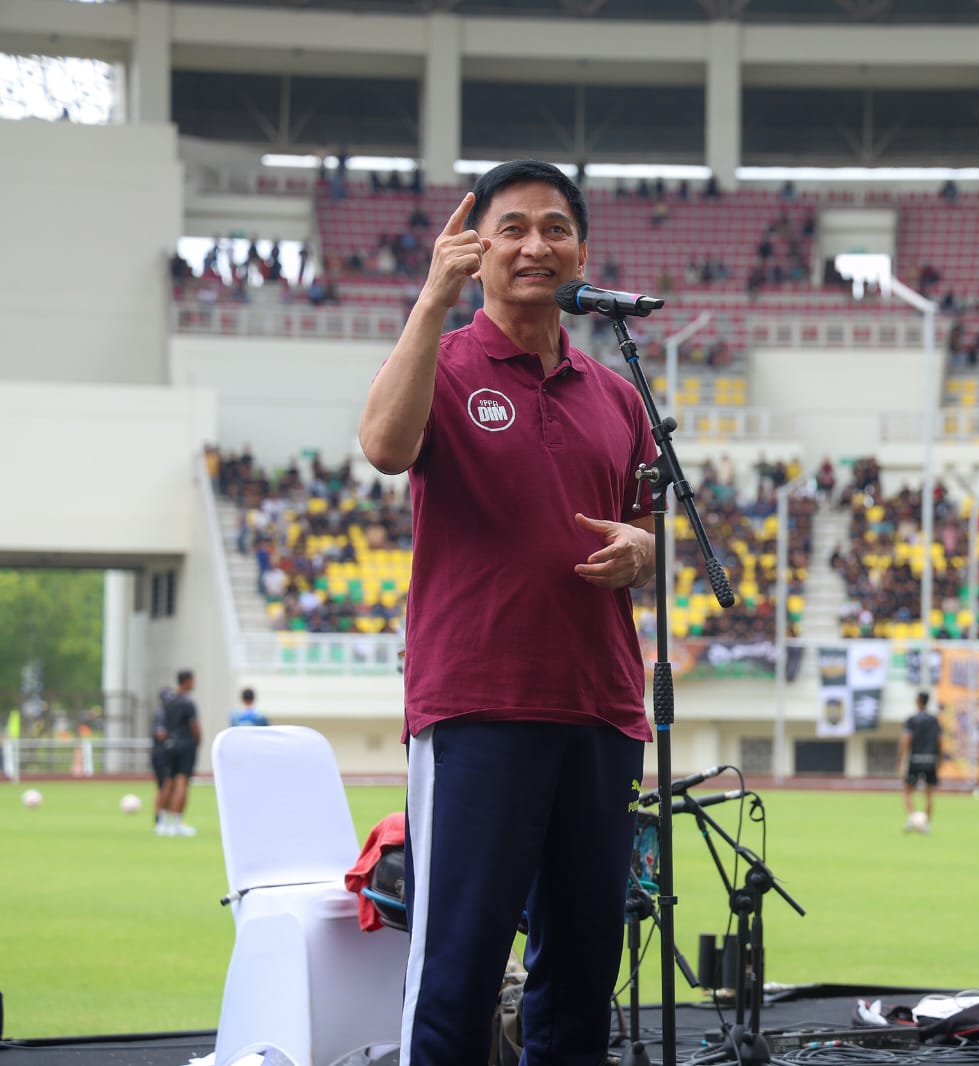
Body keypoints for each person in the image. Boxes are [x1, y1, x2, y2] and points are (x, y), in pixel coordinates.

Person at [358, 159, 656, 1066]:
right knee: (458, 965)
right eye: (514, 226)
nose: (536, 244)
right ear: (476, 245)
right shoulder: (442, 363)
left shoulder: (616, 394)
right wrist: (428, 302)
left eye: (556, 227)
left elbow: (646, 522)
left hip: (602, 708)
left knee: (581, 969)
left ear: (581, 250)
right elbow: (382, 446)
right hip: (479, 705)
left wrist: (645, 549)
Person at [154, 670, 201, 836]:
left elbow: (162, 726)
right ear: (187, 681)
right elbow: (194, 726)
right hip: (185, 745)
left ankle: (161, 823)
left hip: (169, 746)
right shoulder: (187, 703)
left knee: (167, 784)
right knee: (182, 783)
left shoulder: (168, 701)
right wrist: (197, 742)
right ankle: (176, 823)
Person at [899, 691, 942, 832]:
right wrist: (939, 758)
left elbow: (907, 739)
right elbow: (939, 740)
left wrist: (900, 758)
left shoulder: (912, 720)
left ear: (918, 701)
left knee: (907, 791)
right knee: (929, 793)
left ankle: (912, 818)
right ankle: (926, 824)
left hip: (915, 759)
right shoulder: (934, 720)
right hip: (930, 759)